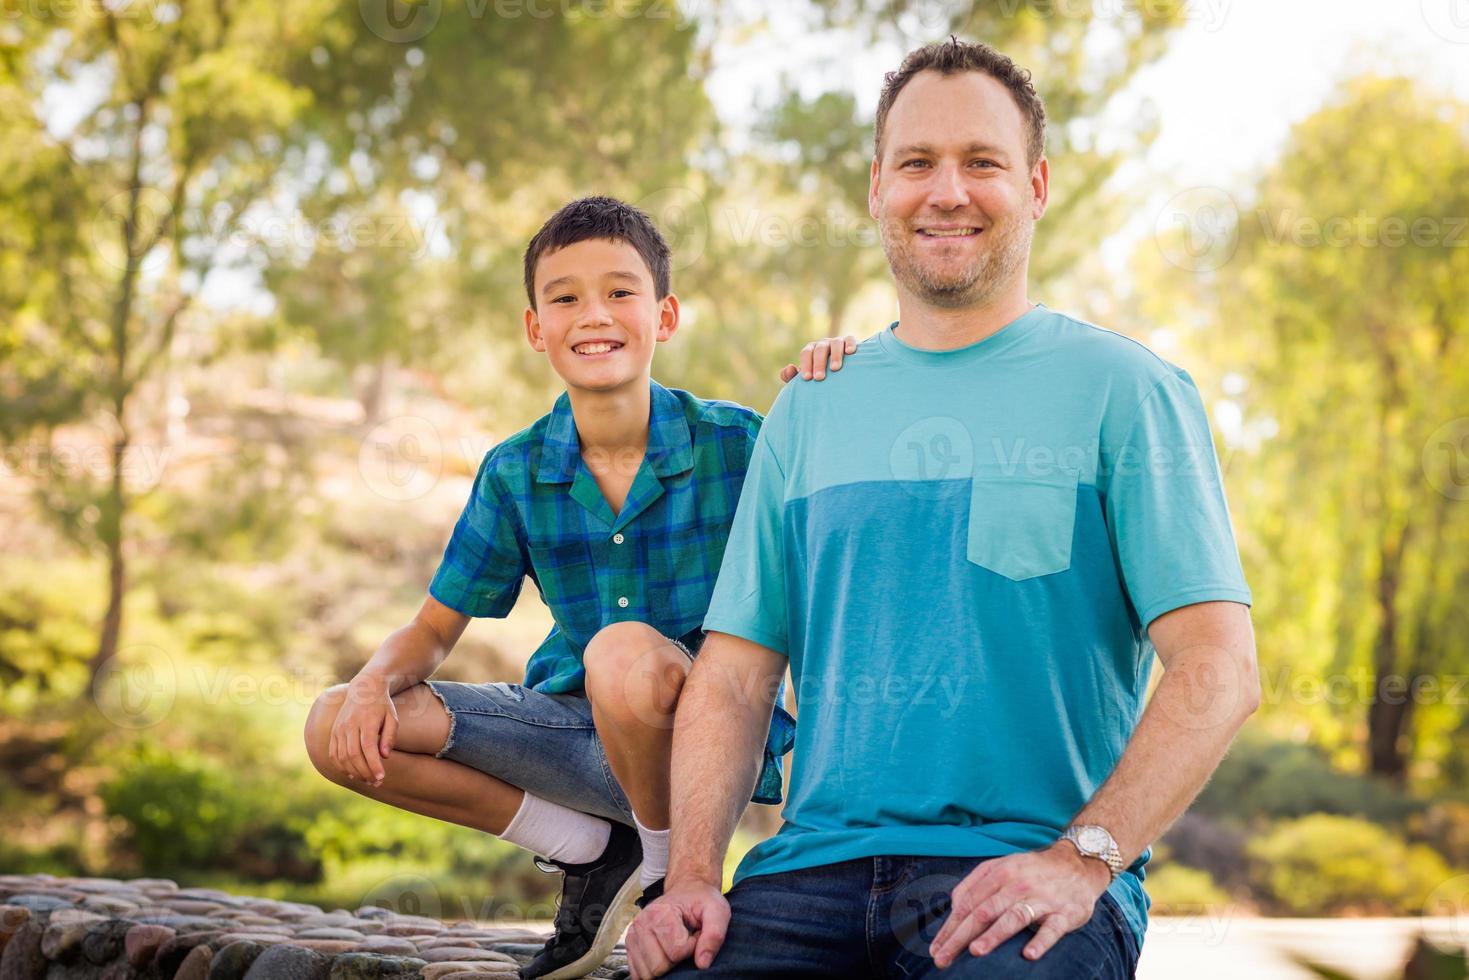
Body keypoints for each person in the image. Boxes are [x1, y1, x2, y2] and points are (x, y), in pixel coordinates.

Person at [626, 37, 1259, 980]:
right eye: (917, 163)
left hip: (1026, 876)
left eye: (982, 163)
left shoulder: (1125, 390)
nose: (947, 190)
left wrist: (1082, 861)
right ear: (877, 187)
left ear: (1036, 186)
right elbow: (732, 676)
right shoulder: (810, 406)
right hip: (806, 875)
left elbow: (1217, 668)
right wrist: (687, 878)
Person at [303, 195, 854, 980]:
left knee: (622, 653)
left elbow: (839, 562)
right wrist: (368, 685)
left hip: (704, 751)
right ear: (536, 328)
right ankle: (593, 851)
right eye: (564, 297)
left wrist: (842, 379)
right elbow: (431, 634)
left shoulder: (737, 443)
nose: (593, 314)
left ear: (663, 316)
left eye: (619, 292)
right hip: (577, 735)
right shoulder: (517, 468)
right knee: (334, 724)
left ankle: (667, 870)